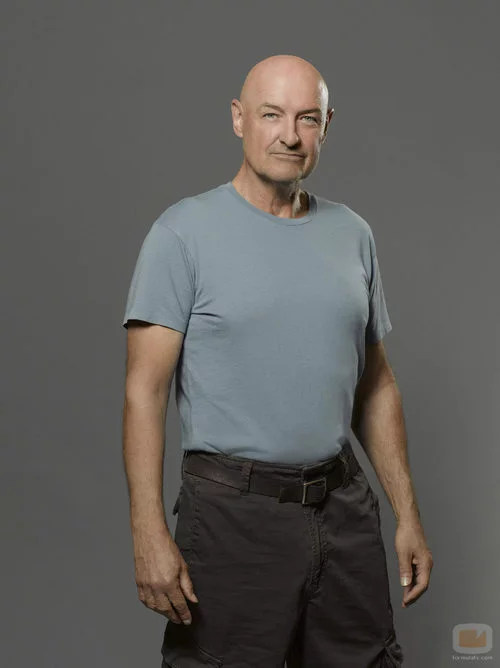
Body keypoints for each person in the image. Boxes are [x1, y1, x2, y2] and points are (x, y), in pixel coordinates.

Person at [121, 54, 433, 668]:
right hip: (233, 518)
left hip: (342, 511)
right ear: (239, 119)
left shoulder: (353, 235)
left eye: (306, 118)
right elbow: (144, 393)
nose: (290, 135)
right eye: (271, 115)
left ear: (326, 126)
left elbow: (375, 385)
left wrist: (408, 516)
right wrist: (147, 530)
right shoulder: (182, 234)